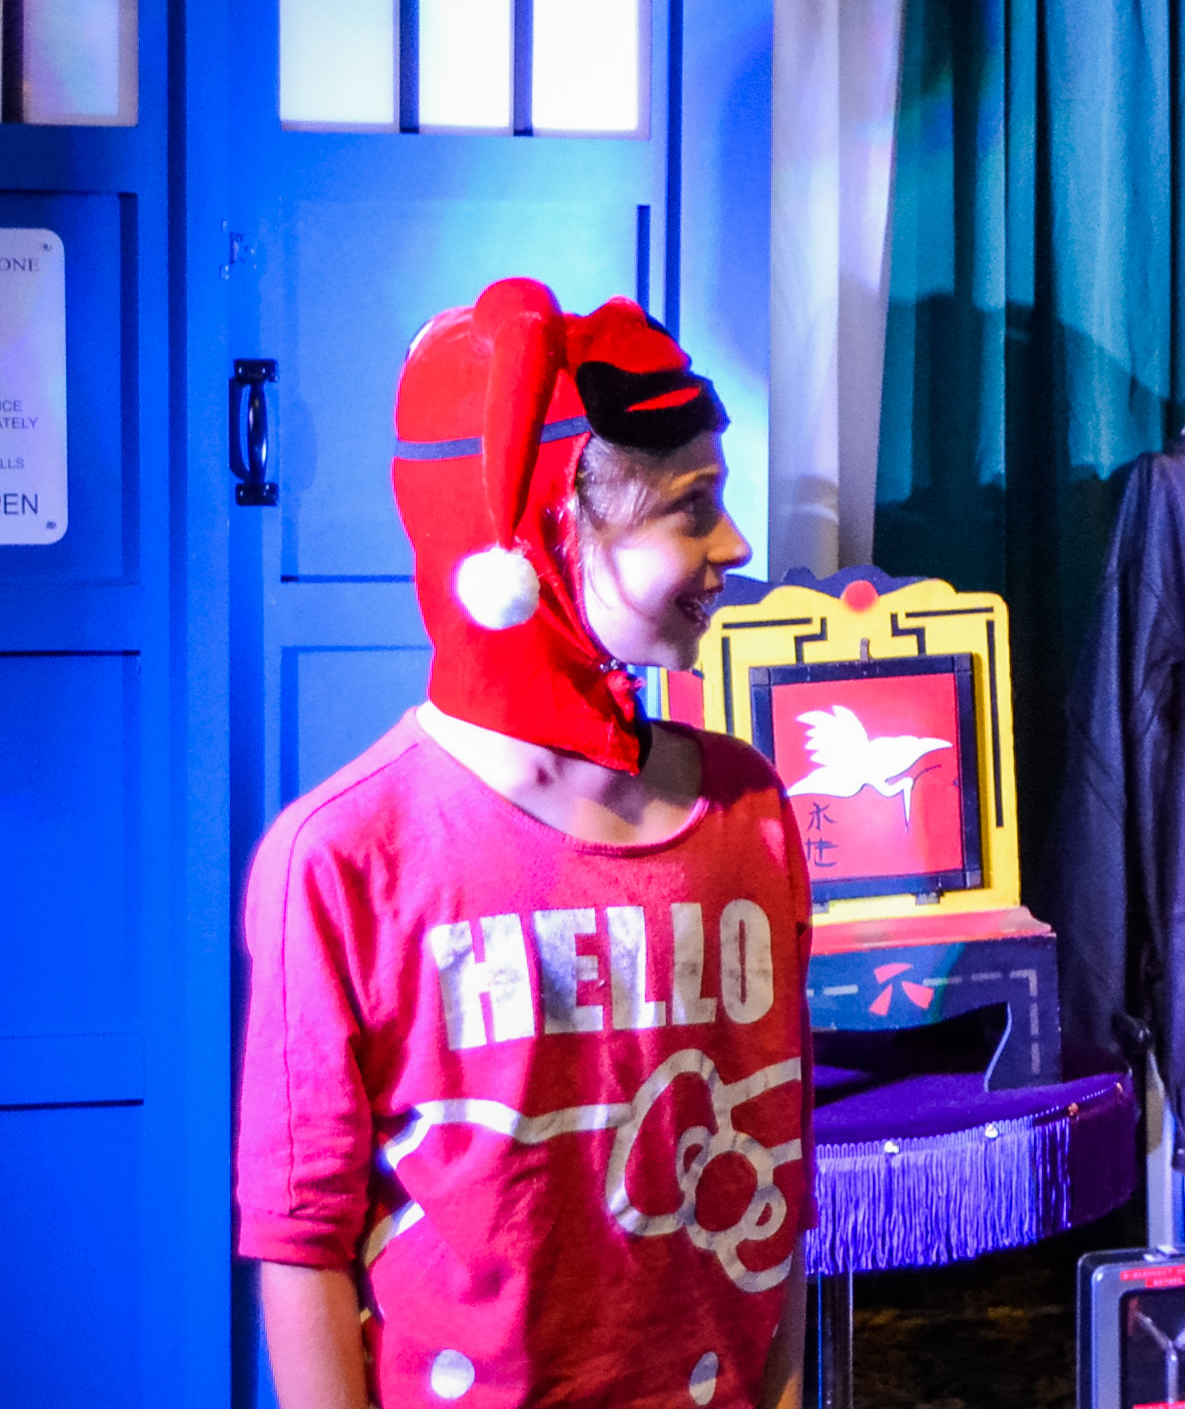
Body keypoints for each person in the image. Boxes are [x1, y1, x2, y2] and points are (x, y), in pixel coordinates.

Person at [237, 278, 808, 1409]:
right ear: (541, 540)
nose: (736, 544)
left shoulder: (750, 813)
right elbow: (301, 1239)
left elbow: (779, 1186)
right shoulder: (342, 859)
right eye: (692, 507)